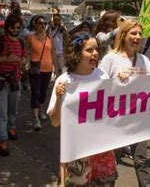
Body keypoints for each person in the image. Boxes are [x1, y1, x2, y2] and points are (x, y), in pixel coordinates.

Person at [99, 20, 150, 187]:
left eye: (139, 34)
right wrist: (114, 82)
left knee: (141, 161)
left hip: (138, 119)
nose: (137, 37)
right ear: (123, 35)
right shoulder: (110, 59)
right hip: (116, 121)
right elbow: (98, 87)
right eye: (133, 33)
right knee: (111, 163)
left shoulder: (143, 59)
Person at [47, 33, 118, 186]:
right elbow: (55, 122)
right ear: (77, 53)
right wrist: (59, 98)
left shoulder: (103, 76)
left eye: (96, 49)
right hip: (77, 153)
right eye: (89, 50)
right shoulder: (64, 80)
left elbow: (112, 111)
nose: (95, 54)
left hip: (102, 149)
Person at [0, 14, 27, 156]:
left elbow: (24, 58)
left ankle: (11, 127)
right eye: (13, 27)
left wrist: (22, 62)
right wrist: (5, 59)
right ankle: (2, 139)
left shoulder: (21, 42)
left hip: (15, 80)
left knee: (13, 110)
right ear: (7, 27)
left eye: (18, 27)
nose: (15, 30)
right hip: (2, 81)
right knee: (2, 112)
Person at [26, 15, 56, 131]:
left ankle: (41, 110)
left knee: (43, 92)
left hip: (47, 69)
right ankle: (35, 119)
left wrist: (56, 67)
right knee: (36, 92)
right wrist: (26, 62)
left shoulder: (49, 38)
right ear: (35, 24)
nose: (43, 25)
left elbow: (53, 53)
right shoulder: (30, 38)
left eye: (44, 23)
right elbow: (26, 51)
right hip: (35, 69)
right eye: (40, 23)